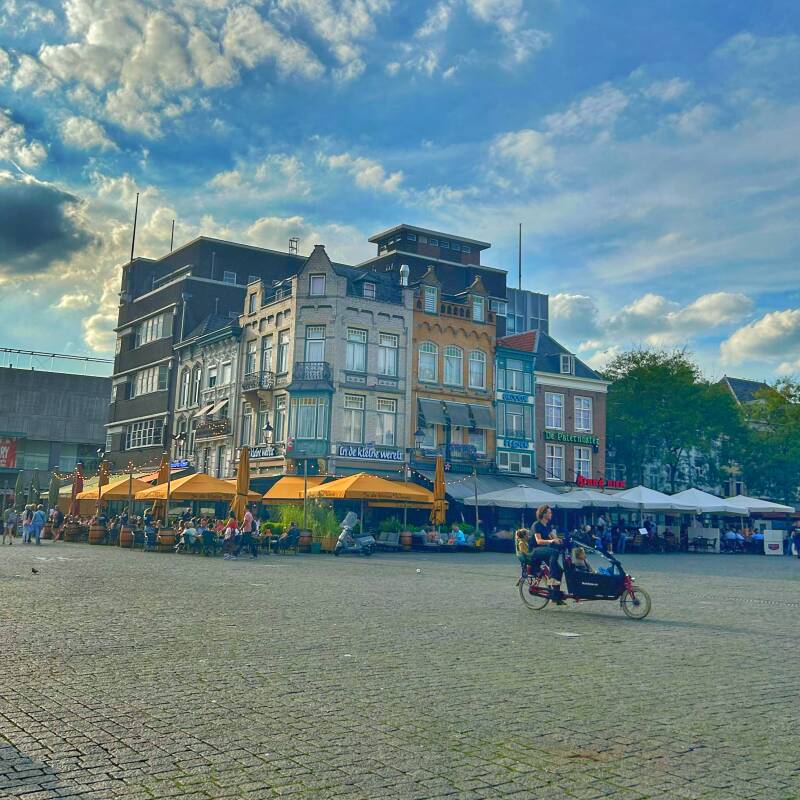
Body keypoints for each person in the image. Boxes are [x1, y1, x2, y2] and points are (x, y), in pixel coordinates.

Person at [531, 505, 565, 604]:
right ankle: (552, 577)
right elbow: (538, 541)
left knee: (559, 570)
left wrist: (561, 540)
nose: (551, 514)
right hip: (535, 550)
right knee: (554, 552)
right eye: (549, 512)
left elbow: (554, 537)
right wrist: (551, 541)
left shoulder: (547, 525)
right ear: (543, 514)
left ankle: (555, 596)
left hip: (545, 551)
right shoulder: (536, 525)